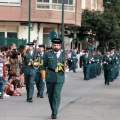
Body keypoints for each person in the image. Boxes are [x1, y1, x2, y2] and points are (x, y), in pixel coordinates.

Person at [42, 38, 65, 119]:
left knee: (56, 95)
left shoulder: (64, 54)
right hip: (50, 76)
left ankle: (55, 112)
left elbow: (69, 65)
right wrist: (43, 76)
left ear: (60, 46)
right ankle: (53, 110)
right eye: (54, 45)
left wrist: (66, 66)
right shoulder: (48, 54)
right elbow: (43, 65)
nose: (56, 46)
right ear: (52, 45)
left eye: (57, 45)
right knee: (51, 95)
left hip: (60, 77)